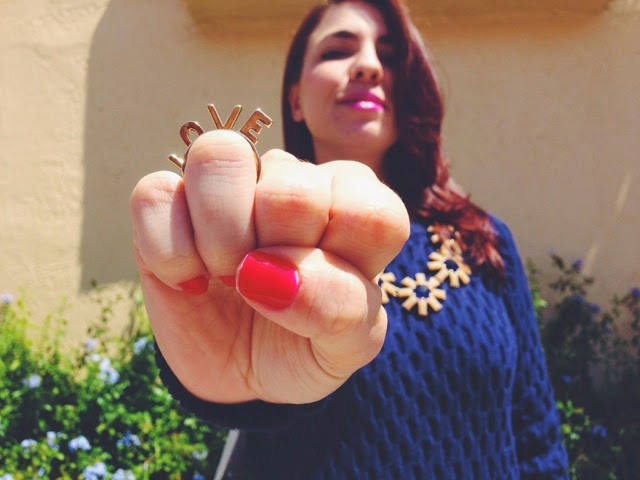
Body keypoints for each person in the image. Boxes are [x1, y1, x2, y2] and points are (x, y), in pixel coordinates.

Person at [129, 0, 569, 477]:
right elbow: (261, 415)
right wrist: (235, 381)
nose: (367, 66)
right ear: (296, 100)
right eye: (337, 51)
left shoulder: (485, 240)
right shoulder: (261, 242)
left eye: (390, 56)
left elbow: (537, 437)